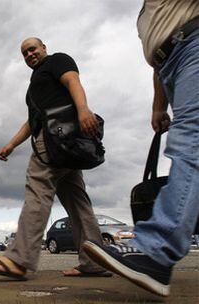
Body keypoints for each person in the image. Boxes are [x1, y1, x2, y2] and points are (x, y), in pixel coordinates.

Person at [83, 1, 199, 297]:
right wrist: (158, 105)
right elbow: (158, 58)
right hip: (170, 66)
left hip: (194, 46)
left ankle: (156, 250)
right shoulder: (144, 17)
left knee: (189, 141)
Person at [0, 37, 110, 279]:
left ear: (43, 48)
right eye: (24, 53)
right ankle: (95, 262)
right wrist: (10, 145)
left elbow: (73, 81)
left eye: (32, 49)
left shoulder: (58, 60)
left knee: (38, 189)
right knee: (78, 203)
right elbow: (31, 122)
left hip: (56, 138)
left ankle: (19, 259)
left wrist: (83, 110)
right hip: (61, 144)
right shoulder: (34, 87)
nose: (29, 54)